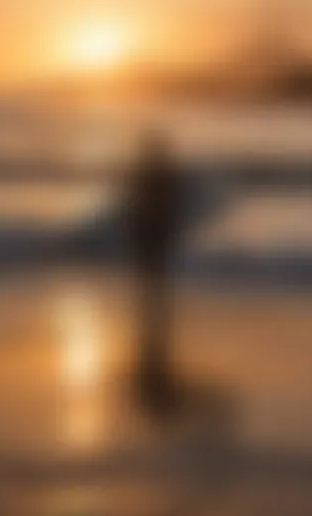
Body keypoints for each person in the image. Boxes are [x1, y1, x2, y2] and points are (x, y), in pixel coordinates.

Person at [125, 129, 184, 418]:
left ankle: (153, 313)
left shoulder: (148, 173)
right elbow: (166, 203)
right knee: (155, 274)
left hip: (149, 229)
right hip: (154, 229)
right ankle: (154, 315)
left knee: (151, 273)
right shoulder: (159, 174)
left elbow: (138, 203)